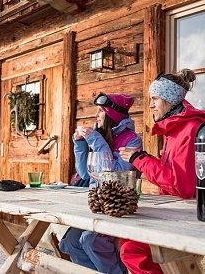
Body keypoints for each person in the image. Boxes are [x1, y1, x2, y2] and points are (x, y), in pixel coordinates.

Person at [118, 69, 205, 274]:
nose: (150, 105)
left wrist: (139, 160)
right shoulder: (174, 128)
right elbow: (172, 171)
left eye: (154, 99)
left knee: (133, 250)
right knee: (125, 236)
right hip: (172, 211)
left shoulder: (190, 129)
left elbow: (182, 187)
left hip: (190, 216)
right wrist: (144, 157)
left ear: (169, 99)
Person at [59, 92, 143, 274]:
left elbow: (115, 174)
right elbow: (85, 173)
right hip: (96, 203)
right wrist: (80, 144)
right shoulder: (100, 135)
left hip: (119, 207)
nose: (96, 116)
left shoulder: (131, 139)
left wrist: (97, 141)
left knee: (89, 240)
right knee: (69, 243)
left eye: (100, 111)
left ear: (112, 114)